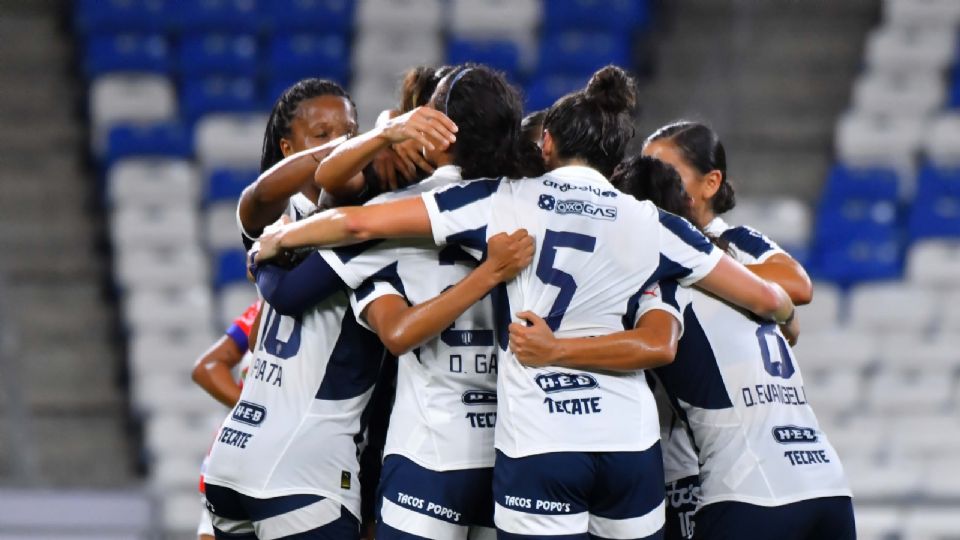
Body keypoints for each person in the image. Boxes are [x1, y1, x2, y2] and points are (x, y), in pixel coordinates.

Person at [253, 65, 797, 539]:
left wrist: (279, 240)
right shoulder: (652, 222)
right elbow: (768, 296)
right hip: (622, 444)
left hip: (480, 445)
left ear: (547, 144)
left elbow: (342, 228)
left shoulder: (500, 202)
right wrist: (785, 316)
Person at [252, 64, 543, 540]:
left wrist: (274, 247)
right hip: (515, 448)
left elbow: (301, 281)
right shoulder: (528, 202)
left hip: (427, 451)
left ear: (439, 128)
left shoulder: (391, 212)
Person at [639, 123, 853, 540]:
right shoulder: (655, 246)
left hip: (731, 474)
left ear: (710, 182)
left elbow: (799, 284)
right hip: (800, 470)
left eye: (664, 170)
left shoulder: (732, 242)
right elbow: (786, 306)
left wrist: (706, 272)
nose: (651, 183)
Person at [201, 79, 390, 540]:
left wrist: (265, 258)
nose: (339, 144)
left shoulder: (280, 229)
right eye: (321, 134)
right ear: (288, 147)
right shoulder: (354, 227)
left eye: (349, 131)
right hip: (304, 471)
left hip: (236, 459)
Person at [191, 300, 262, 540]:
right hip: (266, 456)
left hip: (230, 451)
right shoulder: (267, 306)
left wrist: (251, 414)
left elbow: (207, 367)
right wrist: (266, 414)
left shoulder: (264, 305)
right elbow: (205, 368)